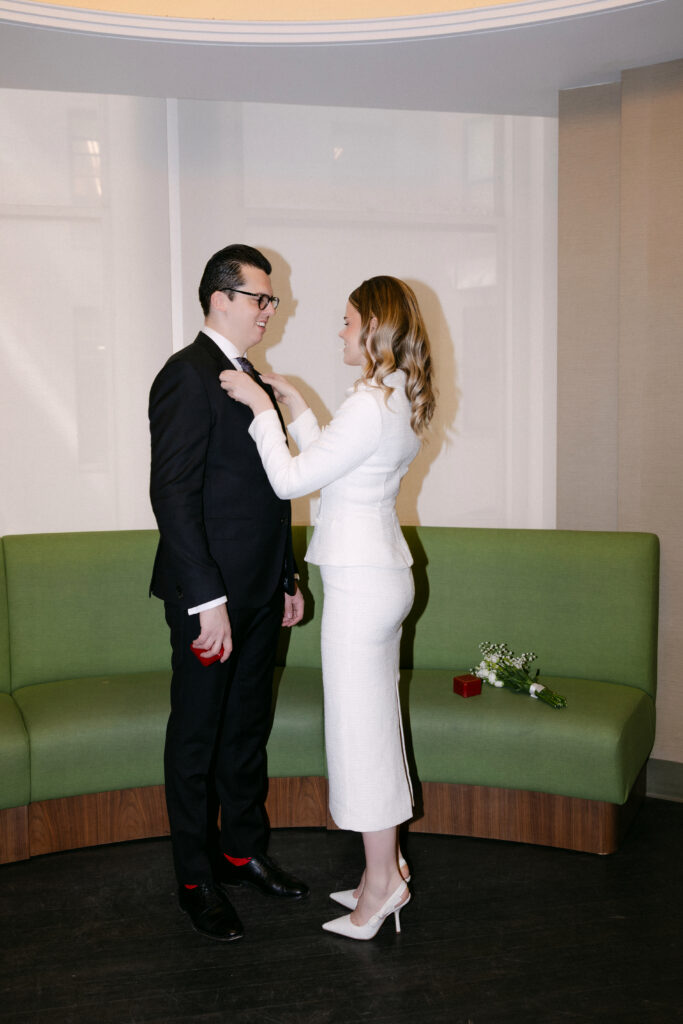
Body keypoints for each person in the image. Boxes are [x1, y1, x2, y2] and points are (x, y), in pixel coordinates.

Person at [220, 275, 435, 941]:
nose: (339, 331)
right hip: (381, 576)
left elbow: (290, 478)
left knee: (360, 740)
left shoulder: (370, 403)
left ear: (372, 327)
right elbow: (343, 468)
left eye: (346, 321)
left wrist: (260, 407)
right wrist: (298, 406)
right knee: (377, 732)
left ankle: (380, 887)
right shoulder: (391, 395)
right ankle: (386, 868)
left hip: (359, 583)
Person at [148, 244, 309, 943]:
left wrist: (286, 577)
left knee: (245, 731)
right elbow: (174, 495)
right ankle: (194, 878)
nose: (269, 312)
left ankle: (241, 852)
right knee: (196, 739)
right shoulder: (185, 376)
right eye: (260, 299)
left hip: (258, 595)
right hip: (208, 602)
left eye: (270, 300)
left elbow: (274, 490)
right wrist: (206, 601)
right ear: (219, 299)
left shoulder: (256, 380)